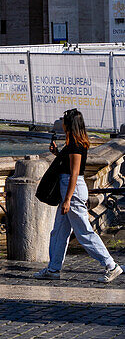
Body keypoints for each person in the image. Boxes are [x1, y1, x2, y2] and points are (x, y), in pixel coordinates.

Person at [36, 108, 123, 282]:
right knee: (59, 231)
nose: (61, 122)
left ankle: (110, 265)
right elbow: (68, 167)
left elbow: (74, 174)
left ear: (70, 124)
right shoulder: (74, 143)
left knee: (84, 232)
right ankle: (53, 268)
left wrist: (67, 199)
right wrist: (57, 153)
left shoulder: (76, 145)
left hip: (72, 191)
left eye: (64, 120)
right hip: (69, 189)